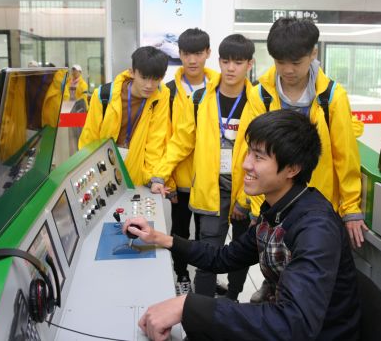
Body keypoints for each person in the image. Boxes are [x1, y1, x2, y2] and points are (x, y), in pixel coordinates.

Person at [125, 110, 361, 341]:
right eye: (249, 152)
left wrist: (188, 306)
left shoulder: (316, 228)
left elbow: (293, 323)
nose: (246, 164)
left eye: (259, 157)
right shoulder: (277, 211)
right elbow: (223, 258)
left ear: (292, 168)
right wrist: (160, 238)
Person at [232, 18, 367, 302]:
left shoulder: (332, 97)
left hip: (316, 202)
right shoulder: (260, 95)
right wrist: (257, 207)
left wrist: (350, 209)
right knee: (275, 258)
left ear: (313, 53)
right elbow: (249, 153)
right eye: (280, 62)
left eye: (296, 62)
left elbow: (345, 155)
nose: (288, 70)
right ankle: (273, 291)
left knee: (309, 271)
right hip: (275, 200)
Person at [152, 34, 255, 300]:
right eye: (226, 61)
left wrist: (246, 199)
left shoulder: (258, 102)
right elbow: (180, 142)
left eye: (238, 62)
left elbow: (265, 153)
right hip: (211, 189)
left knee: (242, 252)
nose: (231, 68)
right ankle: (203, 309)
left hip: (247, 189)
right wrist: (160, 174)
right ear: (218, 61)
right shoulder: (200, 99)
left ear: (250, 64)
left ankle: (232, 298)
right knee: (208, 253)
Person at [151, 28, 215, 295]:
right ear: (179, 54)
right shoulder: (167, 92)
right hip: (180, 179)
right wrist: (169, 180)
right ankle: (181, 275)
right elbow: (165, 138)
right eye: (187, 54)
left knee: (206, 235)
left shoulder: (218, 87)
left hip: (209, 180)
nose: (192, 60)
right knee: (179, 233)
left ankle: (204, 278)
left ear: (208, 53)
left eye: (198, 53)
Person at [78, 46, 170, 186]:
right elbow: (89, 139)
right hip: (102, 172)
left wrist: (151, 178)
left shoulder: (160, 96)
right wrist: (88, 175)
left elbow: (155, 141)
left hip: (137, 173)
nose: (149, 85)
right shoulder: (103, 95)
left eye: (155, 79)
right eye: (144, 78)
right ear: (132, 73)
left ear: (162, 77)